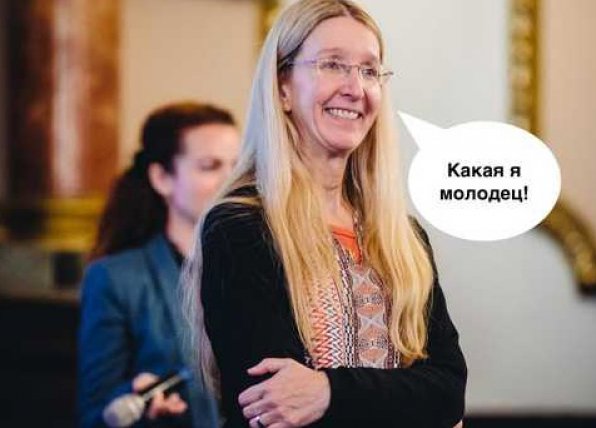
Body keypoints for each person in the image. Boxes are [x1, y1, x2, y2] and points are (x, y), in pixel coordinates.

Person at [183, 1, 467, 427]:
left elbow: (449, 392)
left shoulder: (405, 238)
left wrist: (327, 391)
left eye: (370, 70)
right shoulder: (241, 226)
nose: (355, 88)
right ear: (283, 88)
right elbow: (276, 405)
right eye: (333, 65)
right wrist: (412, 399)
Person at [79, 102, 240, 427]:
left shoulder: (259, 264)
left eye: (238, 166)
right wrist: (134, 402)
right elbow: (95, 415)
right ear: (162, 178)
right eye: (210, 166)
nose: (232, 180)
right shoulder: (115, 278)